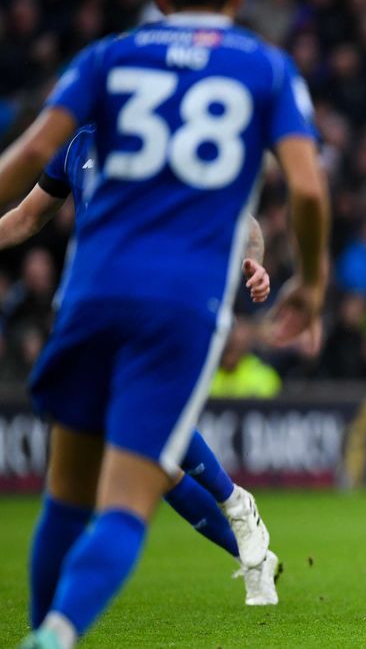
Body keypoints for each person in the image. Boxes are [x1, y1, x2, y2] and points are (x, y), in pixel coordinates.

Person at [6, 0, 328, 645]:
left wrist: (256, 254)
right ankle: (61, 628)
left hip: (91, 294)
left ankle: (47, 629)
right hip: (181, 303)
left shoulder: (108, 59)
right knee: (130, 493)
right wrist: (315, 281)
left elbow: (27, 147)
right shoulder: (264, 70)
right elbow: (305, 187)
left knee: (68, 493)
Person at [0, 124, 281, 607]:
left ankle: (236, 506)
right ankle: (249, 546)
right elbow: (26, 218)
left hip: (161, 301)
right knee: (156, 461)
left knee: (148, 449)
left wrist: (253, 261)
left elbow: (242, 219)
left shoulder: (169, 139)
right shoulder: (76, 146)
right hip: (93, 307)